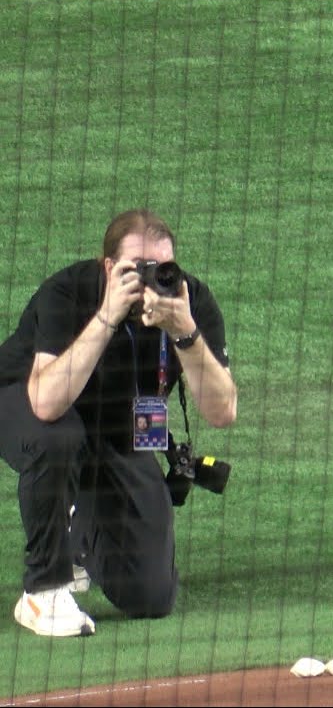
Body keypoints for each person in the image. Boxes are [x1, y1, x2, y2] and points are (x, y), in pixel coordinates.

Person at [0, 209, 237, 637]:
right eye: (136, 269)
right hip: (23, 402)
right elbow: (46, 403)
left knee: (151, 597)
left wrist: (185, 332)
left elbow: (222, 412)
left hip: (116, 429)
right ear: (109, 267)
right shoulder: (68, 292)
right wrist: (108, 317)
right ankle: (43, 590)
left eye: (162, 269)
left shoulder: (190, 301)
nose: (150, 281)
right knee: (58, 438)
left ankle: (78, 531)